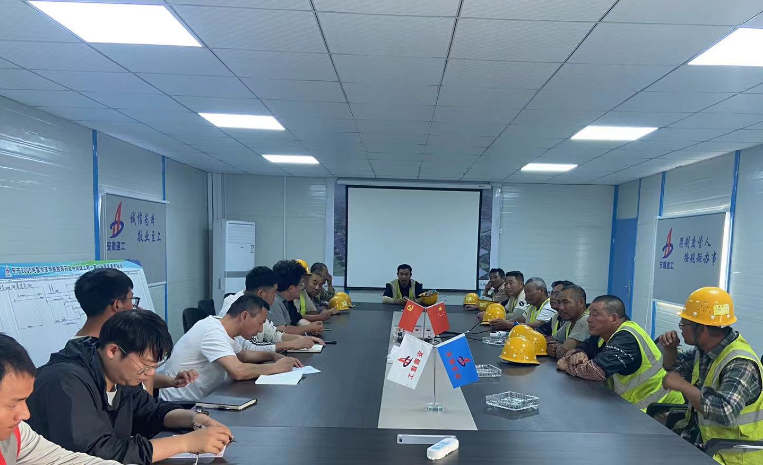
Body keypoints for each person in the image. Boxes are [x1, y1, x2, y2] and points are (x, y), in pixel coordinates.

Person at [28, 311, 233, 464]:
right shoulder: (65, 381)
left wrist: (196, 419)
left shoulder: (119, 375)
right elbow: (95, 454)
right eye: (145, 366)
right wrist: (185, 443)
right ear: (113, 350)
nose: (150, 374)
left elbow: (151, 410)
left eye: (154, 366)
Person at [658, 287, 762, 464]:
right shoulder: (706, 350)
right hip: (702, 442)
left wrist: (684, 386)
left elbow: (724, 412)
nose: (680, 329)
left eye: (683, 324)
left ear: (702, 329)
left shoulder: (740, 363)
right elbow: (675, 369)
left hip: (730, 455)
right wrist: (670, 349)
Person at [0, 333, 122, 465]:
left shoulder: (17, 433)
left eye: (25, 400)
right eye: (12, 405)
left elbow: (61, 460)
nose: (25, 414)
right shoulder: (67, 379)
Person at [71, 268, 197, 394]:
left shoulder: (101, 345)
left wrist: (171, 381)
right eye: (131, 300)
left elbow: (141, 375)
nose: (134, 307)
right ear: (117, 305)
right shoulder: (103, 355)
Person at [160, 295, 301, 402]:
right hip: (182, 404)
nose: (260, 330)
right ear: (244, 316)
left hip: (207, 398)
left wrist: (273, 356)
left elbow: (243, 355)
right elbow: (238, 371)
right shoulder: (212, 331)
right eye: (260, 323)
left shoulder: (222, 327)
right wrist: (276, 367)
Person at [556, 295, 683, 411]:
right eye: (589, 315)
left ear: (614, 318)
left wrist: (567, 366)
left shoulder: (626, 338)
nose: (589, 320)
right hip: (630, 406)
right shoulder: (603, 335)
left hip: (660, 409)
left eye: (595, 315)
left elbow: (595, 371)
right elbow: (577, 349)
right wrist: (579, 354)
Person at [218, 266, 322, 351]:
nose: (275, 297)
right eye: (274, 292)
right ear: (261, 293)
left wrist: (304, 339)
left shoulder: (258, 306)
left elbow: (274, 335)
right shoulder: (235, 308)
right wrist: (291, 344)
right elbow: (248, 348)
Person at [268, 260, 324, 335]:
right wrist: (309, 328)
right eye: (301, 283)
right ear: (291, 288)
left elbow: (297, 319)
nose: (303, 287)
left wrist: (312, 326)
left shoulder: (288, 300)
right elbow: (281, 331)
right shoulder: (273, 301)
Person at [489, 277, 555, 330]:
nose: (526, 296)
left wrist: (508, 325)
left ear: (541, 291)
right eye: (525, 292)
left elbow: (537, 326)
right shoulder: (532, 306)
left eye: (529, 291)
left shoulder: (549, 306)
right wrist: (501, 322)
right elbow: (521, 319)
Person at [545, 284, 590, 354]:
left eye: (565, 302)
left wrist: (555, 347)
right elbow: (550, 340)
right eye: (559, 303)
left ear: (581, 303)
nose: (560, 307)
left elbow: (563, 351)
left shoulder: (586, 320)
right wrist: (551, 346)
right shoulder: (570, 320)